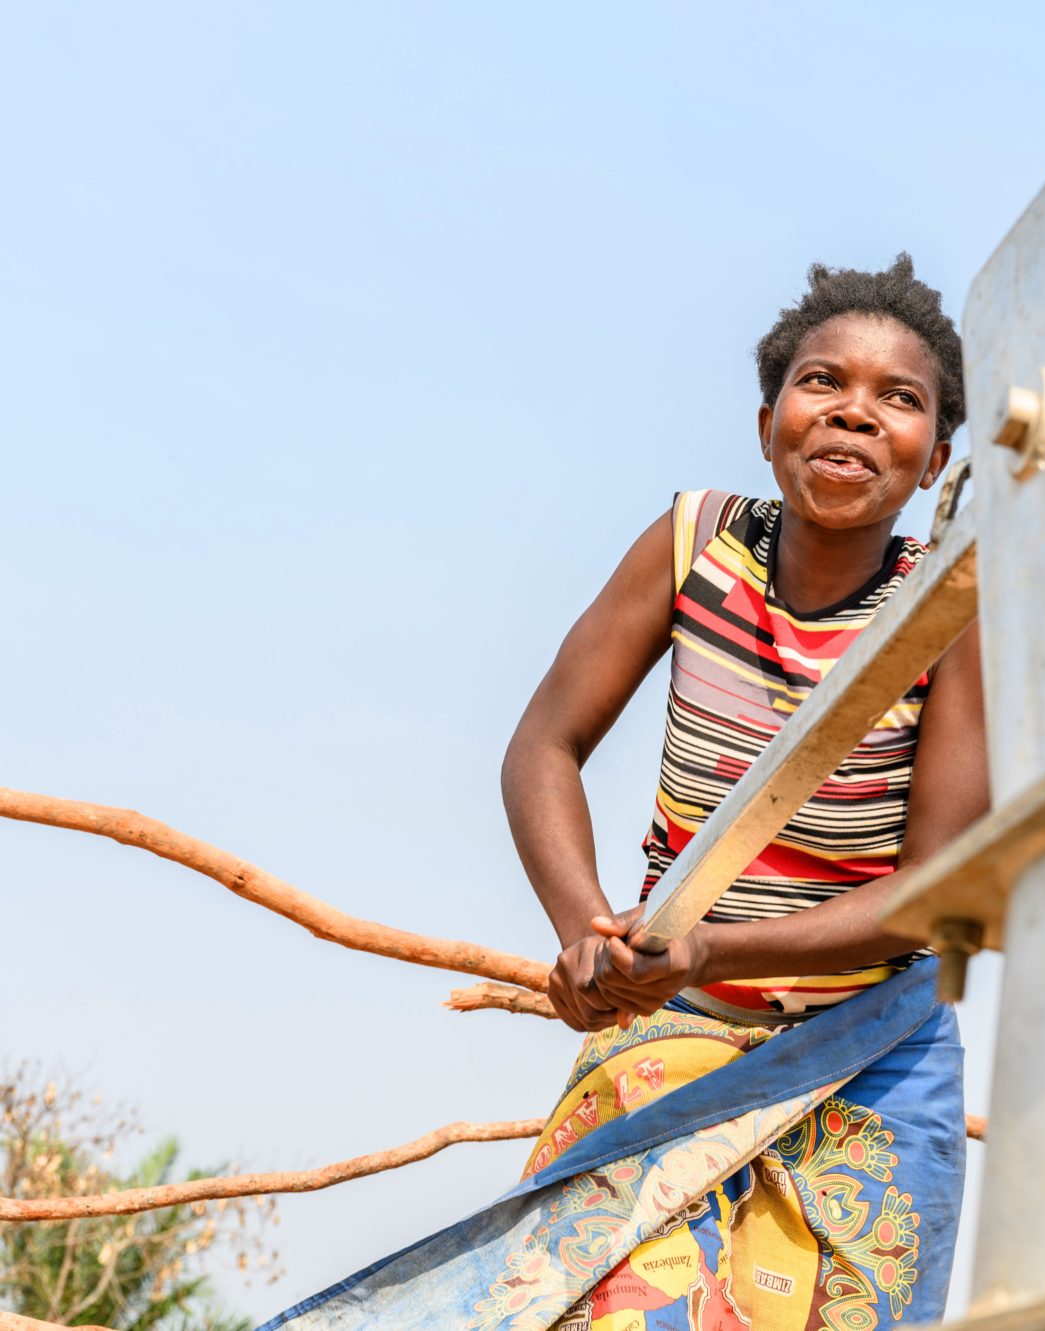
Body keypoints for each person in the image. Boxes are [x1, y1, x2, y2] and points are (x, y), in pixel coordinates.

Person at [254, 255, 985, 1331]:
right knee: (594, 1305)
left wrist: (711, 948)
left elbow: (935, 892)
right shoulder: (694, 544)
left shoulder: (952, 606)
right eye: (821, 381)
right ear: (768, 418)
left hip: (870, 1041)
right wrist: (588, 934)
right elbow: (543, 742)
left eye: (899, 398)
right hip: (676, 1015)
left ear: (935, 463)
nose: (854, 413)